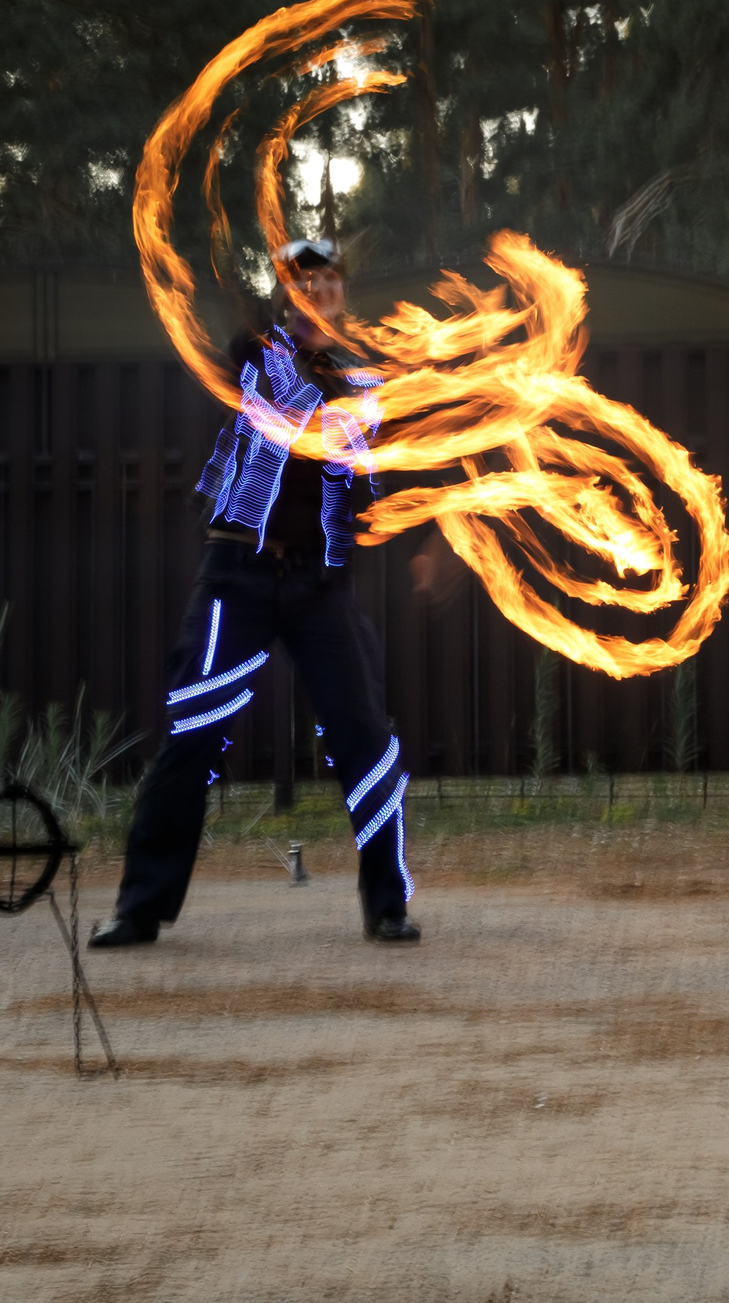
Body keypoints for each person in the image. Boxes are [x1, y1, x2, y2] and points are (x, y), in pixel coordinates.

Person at [92, 238, 421, 947]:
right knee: (191, 735)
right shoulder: (256, 351)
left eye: (331, 281)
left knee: (365, 734)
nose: (319, 291)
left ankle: (387, 901)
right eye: (306, 282)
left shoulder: (362, 379)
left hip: (318, 582)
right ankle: (140, 906)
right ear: (283, 295)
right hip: (237, 574)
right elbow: (283, 399)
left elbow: (354, 450)